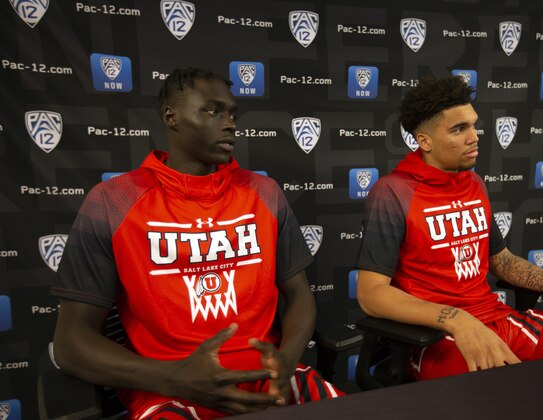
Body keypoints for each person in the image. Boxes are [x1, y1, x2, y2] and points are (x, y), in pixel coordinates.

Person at [51, 68, 341, 419]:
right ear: (171, 117)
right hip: (170, 391)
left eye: (232, 113)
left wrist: (286, 358)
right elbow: (71, 343)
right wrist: (175, 379)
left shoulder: (264, 193)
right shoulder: (113, 202)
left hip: (268, 380)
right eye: (212, 110)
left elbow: (298, 295)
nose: (230, 123)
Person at [356, 75, 543, 380]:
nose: (474, 136)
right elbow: (371, 294)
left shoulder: (474, 183)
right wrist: (456, 319)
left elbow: (504, 262)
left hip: (499, 321)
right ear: (424, 141)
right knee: (513, 398)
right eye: (459, 129)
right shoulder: (392, 192)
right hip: (436, 340)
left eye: (473, 125)